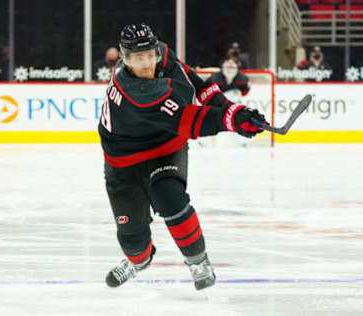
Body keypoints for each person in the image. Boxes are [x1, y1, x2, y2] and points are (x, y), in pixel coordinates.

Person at [98, 23, 268, 291]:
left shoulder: (164, 55)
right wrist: (232, 120)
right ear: (124, 58)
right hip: (123, 163)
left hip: (166, 147)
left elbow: (200, 86)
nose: (146, 64)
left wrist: (232, 110)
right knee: (134, 240)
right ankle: (137, 260)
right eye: (137, 58)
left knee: (171, 199)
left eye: (149, 55)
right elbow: (190, 120)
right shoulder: (133, 89)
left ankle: (198, 261)